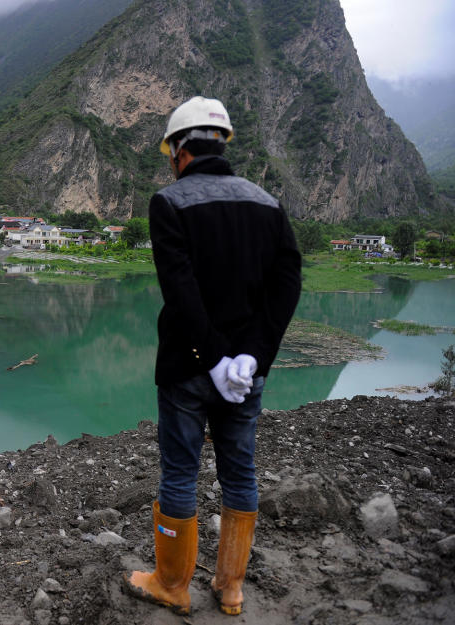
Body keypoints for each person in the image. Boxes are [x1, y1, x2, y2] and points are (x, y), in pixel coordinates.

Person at [121, 96, 302, 616]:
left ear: (180, 150)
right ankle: (231, 588)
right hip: (246, 374)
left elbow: (181, 290)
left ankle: (173, 586)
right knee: (240, 471)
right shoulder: (267, 203)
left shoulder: (169, 203)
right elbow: (287, 283)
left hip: (187, 367)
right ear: (220, 143)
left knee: (179, 473)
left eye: (171, 153)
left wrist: (213, 358)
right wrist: (251, 357)